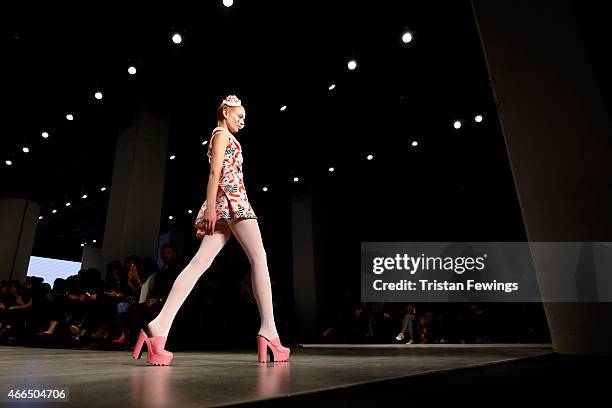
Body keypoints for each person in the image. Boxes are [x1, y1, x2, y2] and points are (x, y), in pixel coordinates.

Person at [132, 95, 290, 366]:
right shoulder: (220, 134)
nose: (242, 121)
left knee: (198, 264)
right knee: (259, 258)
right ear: (225, 112)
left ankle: (159, 327)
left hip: (222, 202)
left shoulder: (222, 135)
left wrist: (211, 208)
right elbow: (214, 172)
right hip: (232, 200)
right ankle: (269, 331)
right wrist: (211, 210)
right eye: (239, 116)